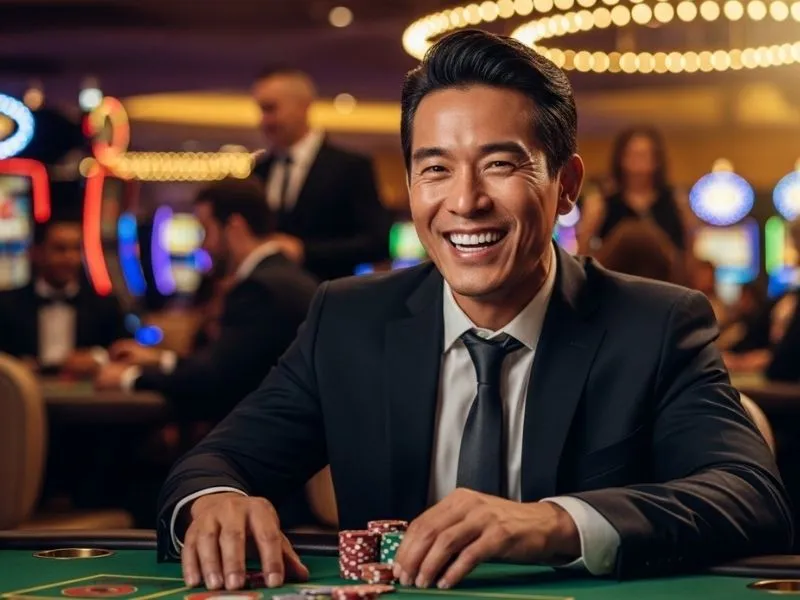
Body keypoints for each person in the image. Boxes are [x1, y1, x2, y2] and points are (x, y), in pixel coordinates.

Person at [157, 30, 791, 591]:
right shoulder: (348, 321)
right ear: (410, 186)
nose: (465, 201)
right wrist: (215, 501)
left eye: (499, 164)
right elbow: (214, 463)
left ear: (565, 185)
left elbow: (749, 495)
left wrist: (554, 522)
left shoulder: (655, 324)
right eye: (435, 168)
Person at [95, 177, 319, 422]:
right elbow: (229, 361)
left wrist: (129, 378)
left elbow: (214, 378)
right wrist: (161, 359)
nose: (202, 245)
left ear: (234, 228)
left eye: (205, 230)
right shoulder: (280, 276)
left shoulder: (261, 288)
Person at [250, 67, 391, 281]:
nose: (264, 121)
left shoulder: (349, 167)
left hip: (328, 299)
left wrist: (304, 251)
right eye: (261, 110)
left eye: (270, 109)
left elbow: (377, 243)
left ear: (302, 107)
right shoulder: (260, 170)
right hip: (269, 302)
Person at [0, 213, 127, 376]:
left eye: (76, 249)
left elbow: (125, 353)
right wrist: (14, 366)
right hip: (24, 396)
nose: (70, 258)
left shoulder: (105, 306)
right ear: (36, 253)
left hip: (88, 398)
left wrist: (97, 358)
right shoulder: (6, 305)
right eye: (60, 249)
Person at [577, 125, 696, 261]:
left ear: (657, 160)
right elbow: (584, 252)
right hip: (617, 279)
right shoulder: (604, 204)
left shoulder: (674, 202)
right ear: (621, 159)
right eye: (632, 155)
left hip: (663, 280)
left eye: (644, 155)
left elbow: (688, 252)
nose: (638, 162)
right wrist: (587, 226)